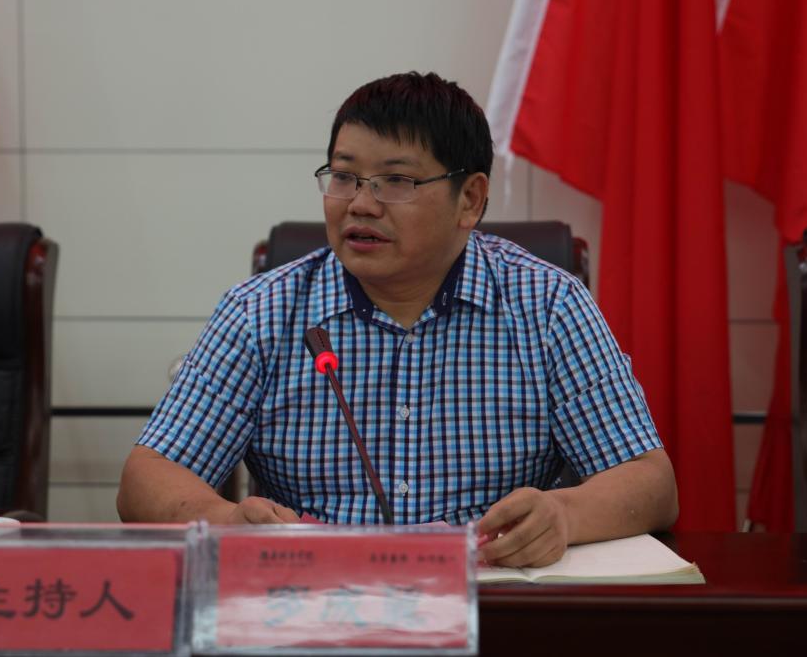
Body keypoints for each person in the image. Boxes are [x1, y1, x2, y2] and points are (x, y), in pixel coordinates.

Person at [117, 71, 678, 568]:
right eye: (343, 177)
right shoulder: (261, 312)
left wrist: (563, 515)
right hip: (313, 607)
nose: (360, 204)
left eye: (396, 181)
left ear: (470, 199)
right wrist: (226, 521)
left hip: (492, 607)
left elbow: (650, 483)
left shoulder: (548, 305)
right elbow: (148, 476)